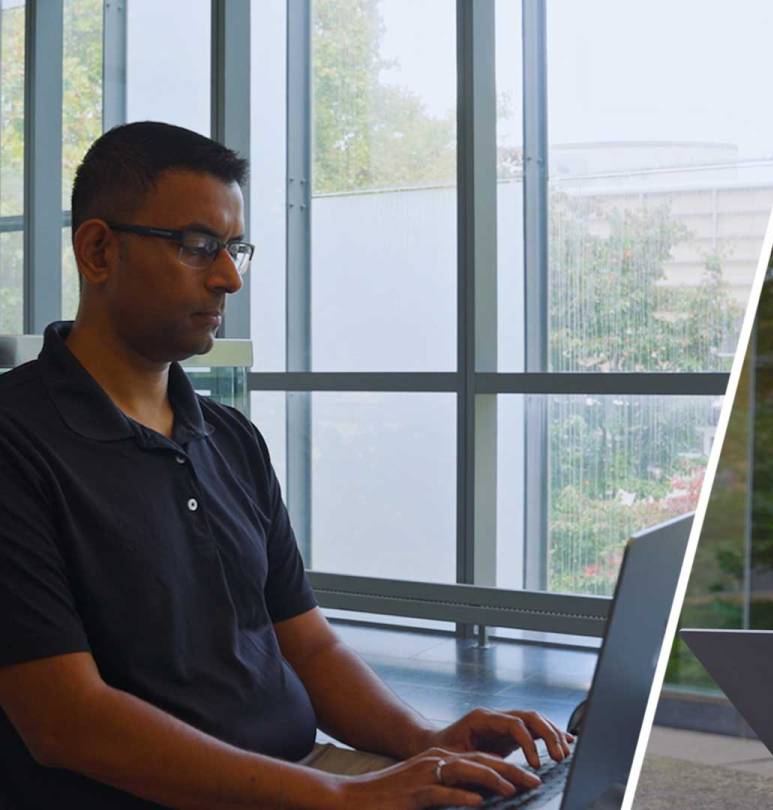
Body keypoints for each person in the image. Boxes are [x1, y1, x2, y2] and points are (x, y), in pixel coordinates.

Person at [0, 121, 571, 809]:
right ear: (98, 250)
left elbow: (309, 646)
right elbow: (67, 722)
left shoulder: (231, 438)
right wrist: (342, 797)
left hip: (306, 774)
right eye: (198, 246)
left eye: (236, 248)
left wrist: (425, 743)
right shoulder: (17, 442)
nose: (229, 278)